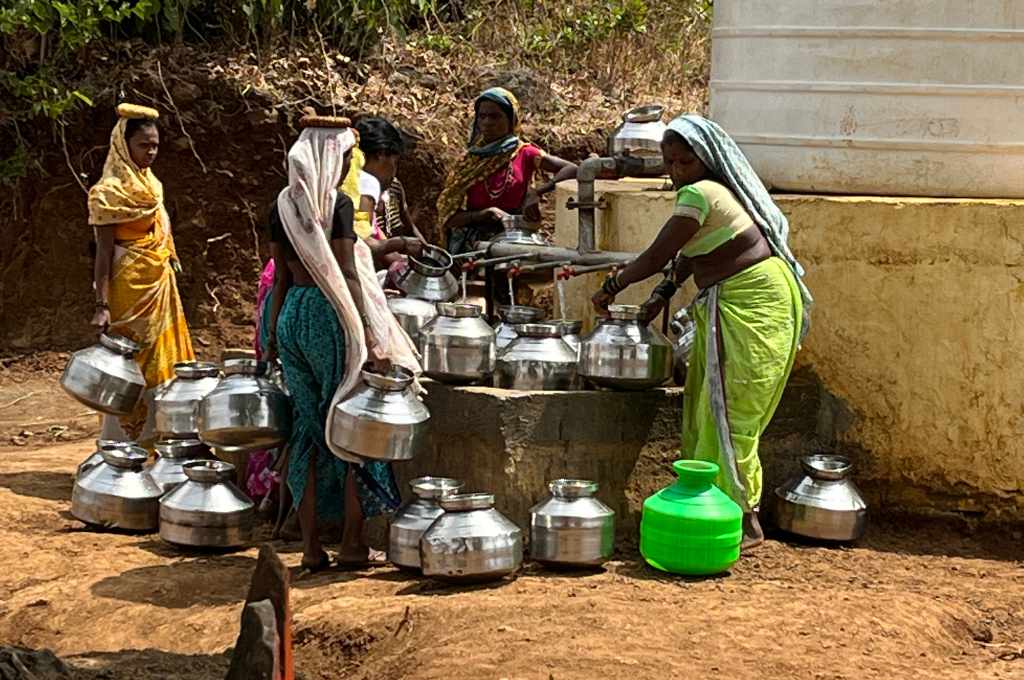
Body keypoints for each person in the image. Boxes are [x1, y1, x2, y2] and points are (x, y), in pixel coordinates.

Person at [591, 115, 813, 551]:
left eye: (685, 161)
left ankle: (740, 518)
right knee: (713, 407)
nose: (676, 171)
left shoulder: (700, 193)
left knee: (731, 411)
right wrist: (659, 298)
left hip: (754, 301)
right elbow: (690, 258)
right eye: (669, 162)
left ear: (706, 160)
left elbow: (659, 254)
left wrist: (610, 288)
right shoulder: (714, 195)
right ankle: (712, 508)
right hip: (747, 298)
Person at [263, 109, 422, 572]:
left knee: (308, 429)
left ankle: (311, 547)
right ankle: (353, 544)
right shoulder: (337, 205)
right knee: (353, 428)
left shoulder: (282, 206)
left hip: (293, 317)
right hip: (335, 319)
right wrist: (373, 334)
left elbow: (279, 282)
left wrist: (272, 334)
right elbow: (349, 271)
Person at [87, 103, 195, 443]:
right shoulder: (107, 194)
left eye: (155, 145)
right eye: (143, 145)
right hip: (127, 291)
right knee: (129, 366)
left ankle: (158, 441)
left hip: (158, 287)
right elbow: (103, 254)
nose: (151, 152)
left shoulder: (154, 187)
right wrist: (101, 305)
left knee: (161, 362)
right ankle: (122, 445)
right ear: (123, 144)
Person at [436, 87, 578, 255]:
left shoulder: (525, 153)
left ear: (511, 120)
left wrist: (537, 192)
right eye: (482, 116)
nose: (487, 122)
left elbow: (571, 169)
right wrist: (483, 214)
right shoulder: (468, 162)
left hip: (515, 239)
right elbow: (449, 218)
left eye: (495, 116)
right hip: (472, 245)